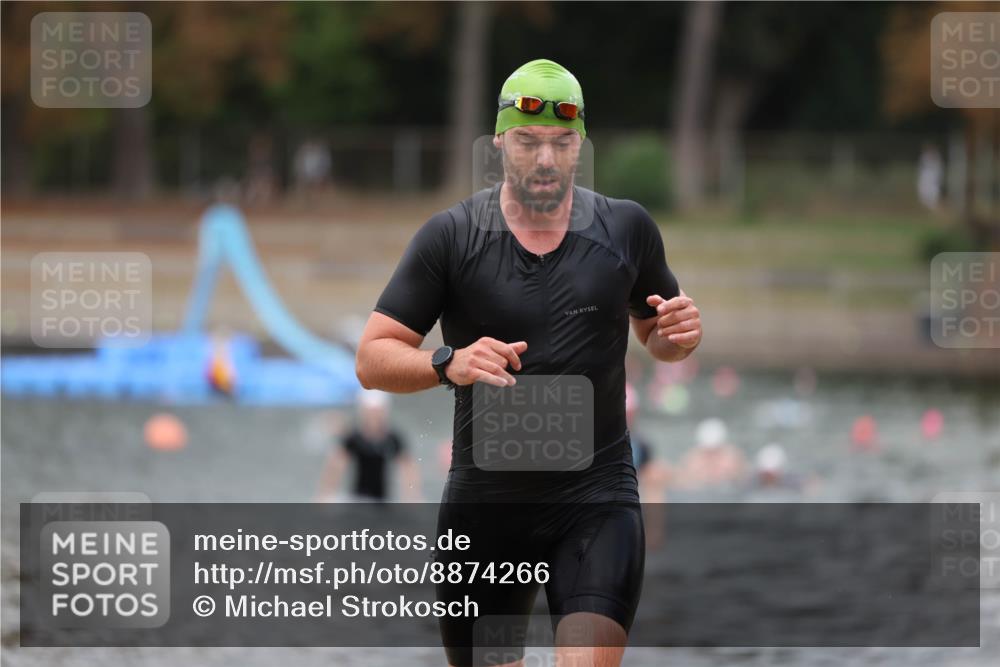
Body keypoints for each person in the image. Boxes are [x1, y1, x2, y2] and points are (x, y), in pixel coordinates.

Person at [355, 59, 702, 667]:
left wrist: (681, 337)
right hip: (486, 508)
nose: (545, 159)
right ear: (498, 143)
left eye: (562, 143)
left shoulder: (626, 229)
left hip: (597, 500)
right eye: (527, 141)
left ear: (581, 145)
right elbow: (371, 358)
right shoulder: (452, 238)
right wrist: (448, 361)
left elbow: (658, 336)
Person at [315, 389, 421, 502]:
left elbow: (408, 468)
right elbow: (335, 467)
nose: (373, 418)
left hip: (382, 500)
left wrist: (412, 496)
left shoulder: (392, 439)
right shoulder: (353, 438)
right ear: (363, 413)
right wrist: (324, 494)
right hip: (358, 498)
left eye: (377, 413)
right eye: (370, 413)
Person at [675, 418, 747, 490]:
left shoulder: (733, 457)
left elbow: (743, 478)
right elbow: (680, 481)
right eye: (707, 453)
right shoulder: (692, 459)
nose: (712, 460)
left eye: (716, 453)